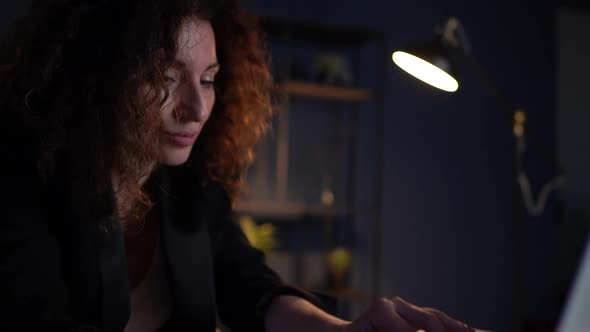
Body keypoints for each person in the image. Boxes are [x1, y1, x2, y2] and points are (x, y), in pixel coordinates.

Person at [0, 0, 476, 331]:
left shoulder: (191, 190)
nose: (197, 108)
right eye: (166, 79)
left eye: (208, 80)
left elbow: (250, 287)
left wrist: (340, 329)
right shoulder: (23, 184)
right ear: (97, 77)